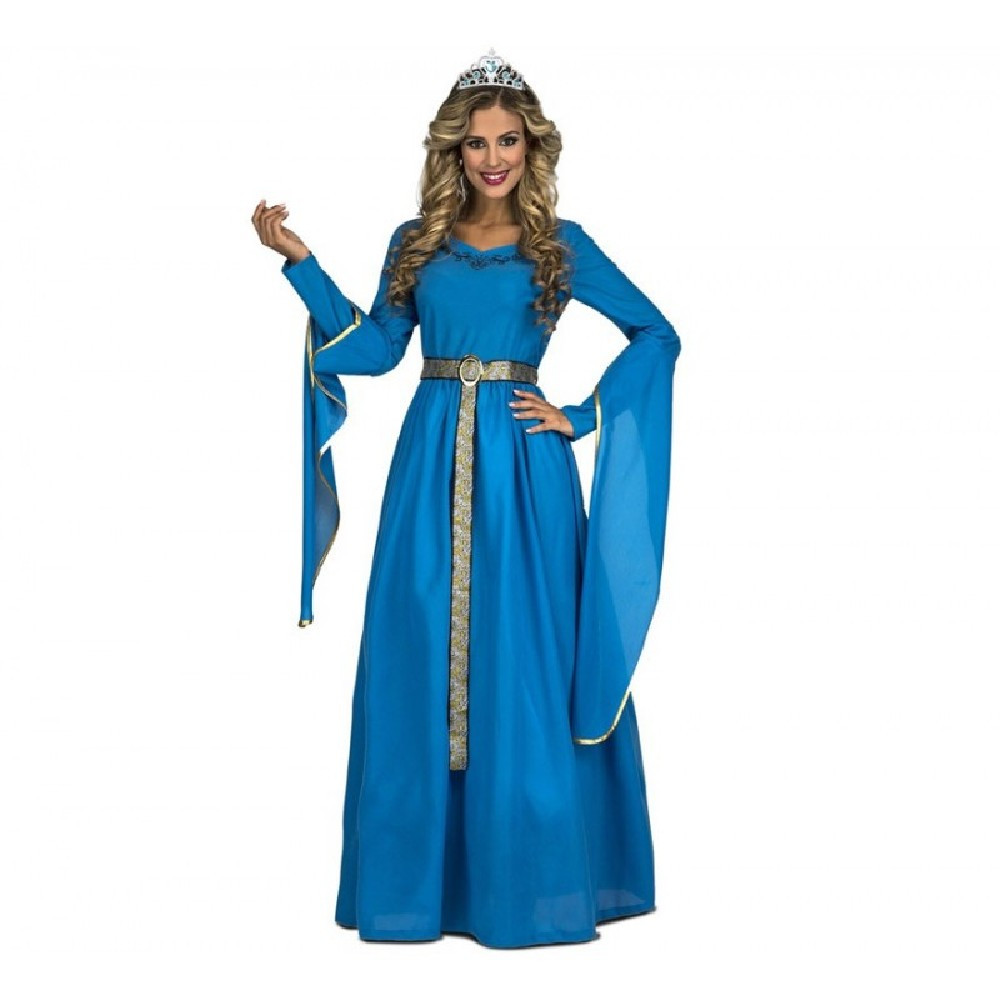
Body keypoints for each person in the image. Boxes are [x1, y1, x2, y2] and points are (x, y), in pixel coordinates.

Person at [251, 48, 682, 949]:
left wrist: (581, 414)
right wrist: (302, 265)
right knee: (419, 642)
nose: (493, 158)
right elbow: (377, 349)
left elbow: (656, 333)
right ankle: (426, 885)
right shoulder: (417, 241)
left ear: (532, 148)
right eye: (477, 142)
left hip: (526, 468)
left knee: (525, 652)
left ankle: (528, 880)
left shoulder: (561, 246)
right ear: (453, 149)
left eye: (508, 141)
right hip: (428, 462)